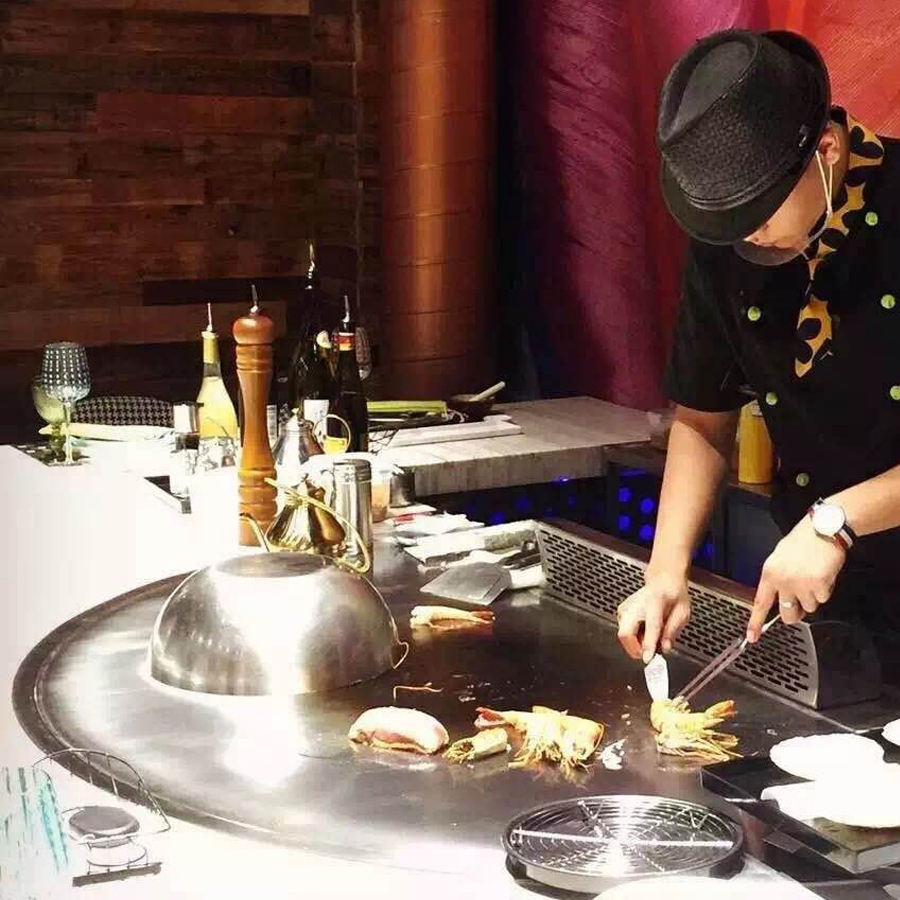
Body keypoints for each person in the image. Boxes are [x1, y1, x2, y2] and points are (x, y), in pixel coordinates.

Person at [616, 28, 900, 676]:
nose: (747, 237)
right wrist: (666, 572)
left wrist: (838, 520)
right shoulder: (732, 235)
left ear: (827, 150)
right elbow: (703, 416)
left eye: (761, 213)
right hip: (832, 600)